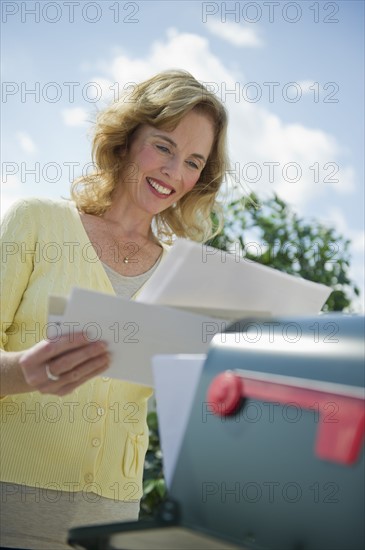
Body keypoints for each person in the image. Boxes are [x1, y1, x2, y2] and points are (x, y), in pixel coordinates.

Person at [0, 69, 229, 549]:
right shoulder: (36, 222)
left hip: (110, 522)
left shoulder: (182, 277)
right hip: (11, 510)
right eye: (164, 146)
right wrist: (24, 370)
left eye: (192, 162)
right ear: (126, 140)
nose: (173, 172)